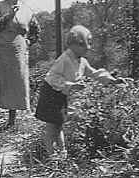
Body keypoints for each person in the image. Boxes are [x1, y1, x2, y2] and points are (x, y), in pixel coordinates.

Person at [35, 25, 126, 159]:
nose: (87, 48)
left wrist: (112, 80)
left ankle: (62, 153)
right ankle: (51, 155)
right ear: (72, 44)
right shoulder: (64, 59)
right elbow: (52, 77)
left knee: (59, 124)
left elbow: (94, 73)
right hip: (50, 93)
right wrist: (70, 85)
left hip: (61, 95)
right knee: (51, 126)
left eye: (88, 44)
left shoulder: (82, 61)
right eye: (83, 44)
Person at [0, 0, 41, 128]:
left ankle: (11, 122)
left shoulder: (27, 9)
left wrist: (27, 42)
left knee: (15, 83)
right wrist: (9, 15)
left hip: (17, 51)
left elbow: (36, 31)